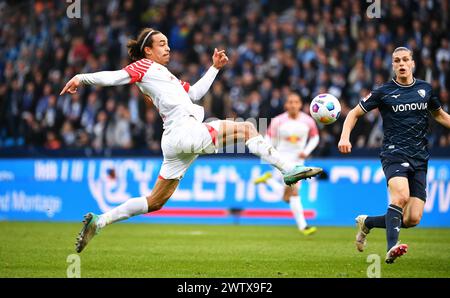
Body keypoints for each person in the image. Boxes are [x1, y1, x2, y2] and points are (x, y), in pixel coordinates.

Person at [60, 28, 323, 253]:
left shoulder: (166, 76)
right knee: (245, 129)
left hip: (176, 139)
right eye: (161, 43)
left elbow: (195, 93)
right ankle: (288, 171)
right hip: (185, 131)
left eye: (167, 42)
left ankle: (99, 221)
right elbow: (115, 77)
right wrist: (80, 78)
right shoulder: (145, 66)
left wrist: (214, 68)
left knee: (155, 201)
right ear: (147, 51)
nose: (168, 47)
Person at [338, 47, 450, 264]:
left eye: (405, 59)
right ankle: (392, 248)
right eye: (397, 60)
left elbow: (440, 116)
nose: (401, 63)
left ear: (412, 63)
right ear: (393, 65)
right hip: (394, 153)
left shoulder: (425, 89)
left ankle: (368, 222)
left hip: (420, 157)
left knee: (412, 218)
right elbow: (354, 113)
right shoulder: (383, 92)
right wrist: (344, 137)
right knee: (400, 197)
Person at [254, 93, 319, 235]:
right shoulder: (278, 121)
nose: (293, 105)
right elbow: (268, 137)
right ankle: (304, 227)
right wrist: (270, 153)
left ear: (300, 104)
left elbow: (315, 137)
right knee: (294, 191)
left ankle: (269, 181)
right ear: (286, 105)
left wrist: (306, 151)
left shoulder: (308, 121)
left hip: (299, 160)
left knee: (286, 197)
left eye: (296, 102)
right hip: (282, 160)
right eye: (290, 102)